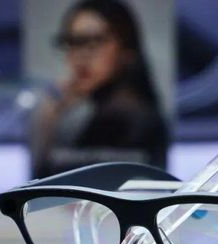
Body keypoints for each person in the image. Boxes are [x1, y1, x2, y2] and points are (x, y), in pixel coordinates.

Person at [30, 0, 169, 178]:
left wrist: (49, 118)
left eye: (95, 41)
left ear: (126, 49)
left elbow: (46, 179)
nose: (81, 55)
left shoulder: (129, 118)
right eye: (72, 42)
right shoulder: (107, 111)